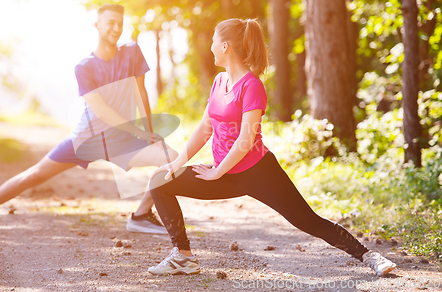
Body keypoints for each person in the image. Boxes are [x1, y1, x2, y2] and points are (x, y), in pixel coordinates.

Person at [146, 18, 397, 276]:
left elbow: (246, 138)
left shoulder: (252, 86)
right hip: (223, 172)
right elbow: (205, 129)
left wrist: (217, 171)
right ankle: (183, 257)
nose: (209, 46)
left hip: (258, 172)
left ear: (225, 46)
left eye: (212, 41)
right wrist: (176, 165)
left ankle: (369, 256)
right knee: (159, 182)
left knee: (308, 221)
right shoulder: (219, 82)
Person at [0, 4, 178, 235]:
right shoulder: (84, 67)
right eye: (111, 22)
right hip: (87, 138)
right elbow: (101, 110)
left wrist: (149, 131)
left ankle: (141, 215)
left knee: (170, 156)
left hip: (120, 139)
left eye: (120, 24)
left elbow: (140, 93)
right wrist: (140, 132)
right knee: (34, 175)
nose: (116, 28)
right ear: (97, 25)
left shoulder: (132, 51)